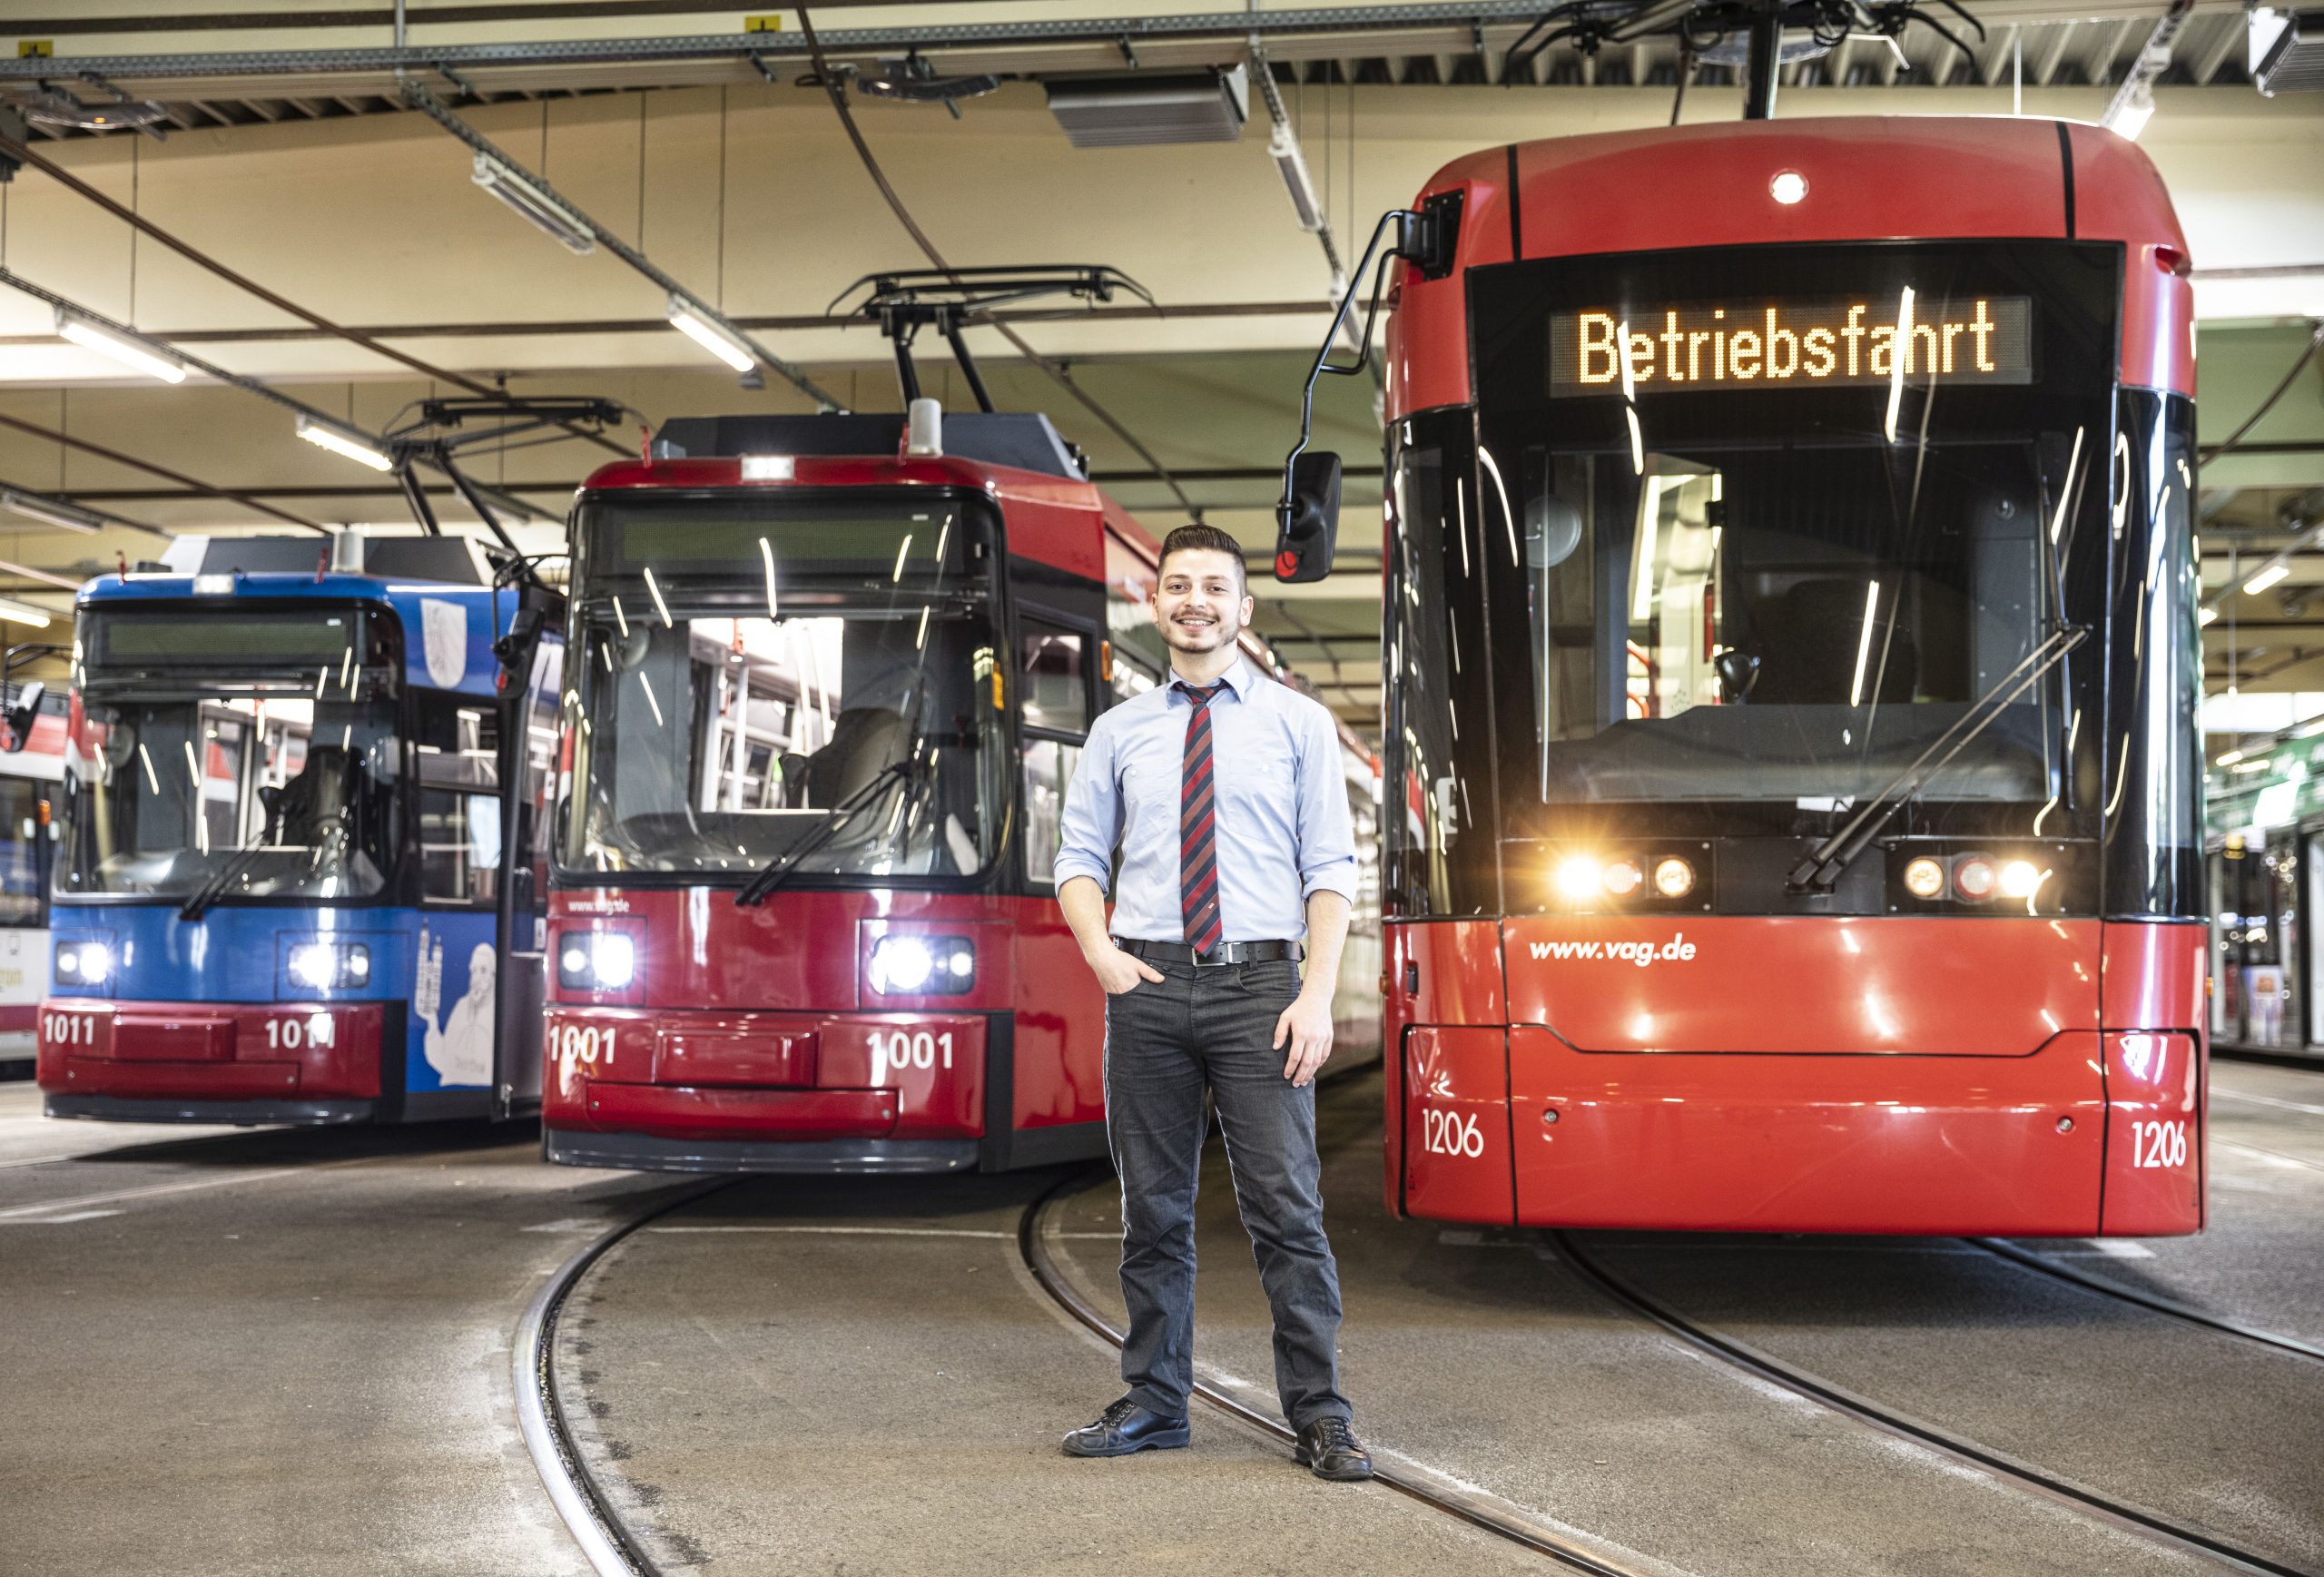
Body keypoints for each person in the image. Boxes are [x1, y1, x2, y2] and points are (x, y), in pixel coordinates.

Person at [1050, 522, 1372, 1482]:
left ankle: (1320, 1414)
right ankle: (1155, 1404)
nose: (1195, 601)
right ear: (1155, 604)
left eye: (1214, 588)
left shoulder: (1296, 723)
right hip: (1146, 986)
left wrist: (1315, 995)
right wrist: (1102, 954)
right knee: (1152, 1213)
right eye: (1177, 585)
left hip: (1261, 989)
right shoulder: (1119, 731)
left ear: (1243, 608)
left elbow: (1331, 870)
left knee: (1287, 1212)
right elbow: (1075, 859)